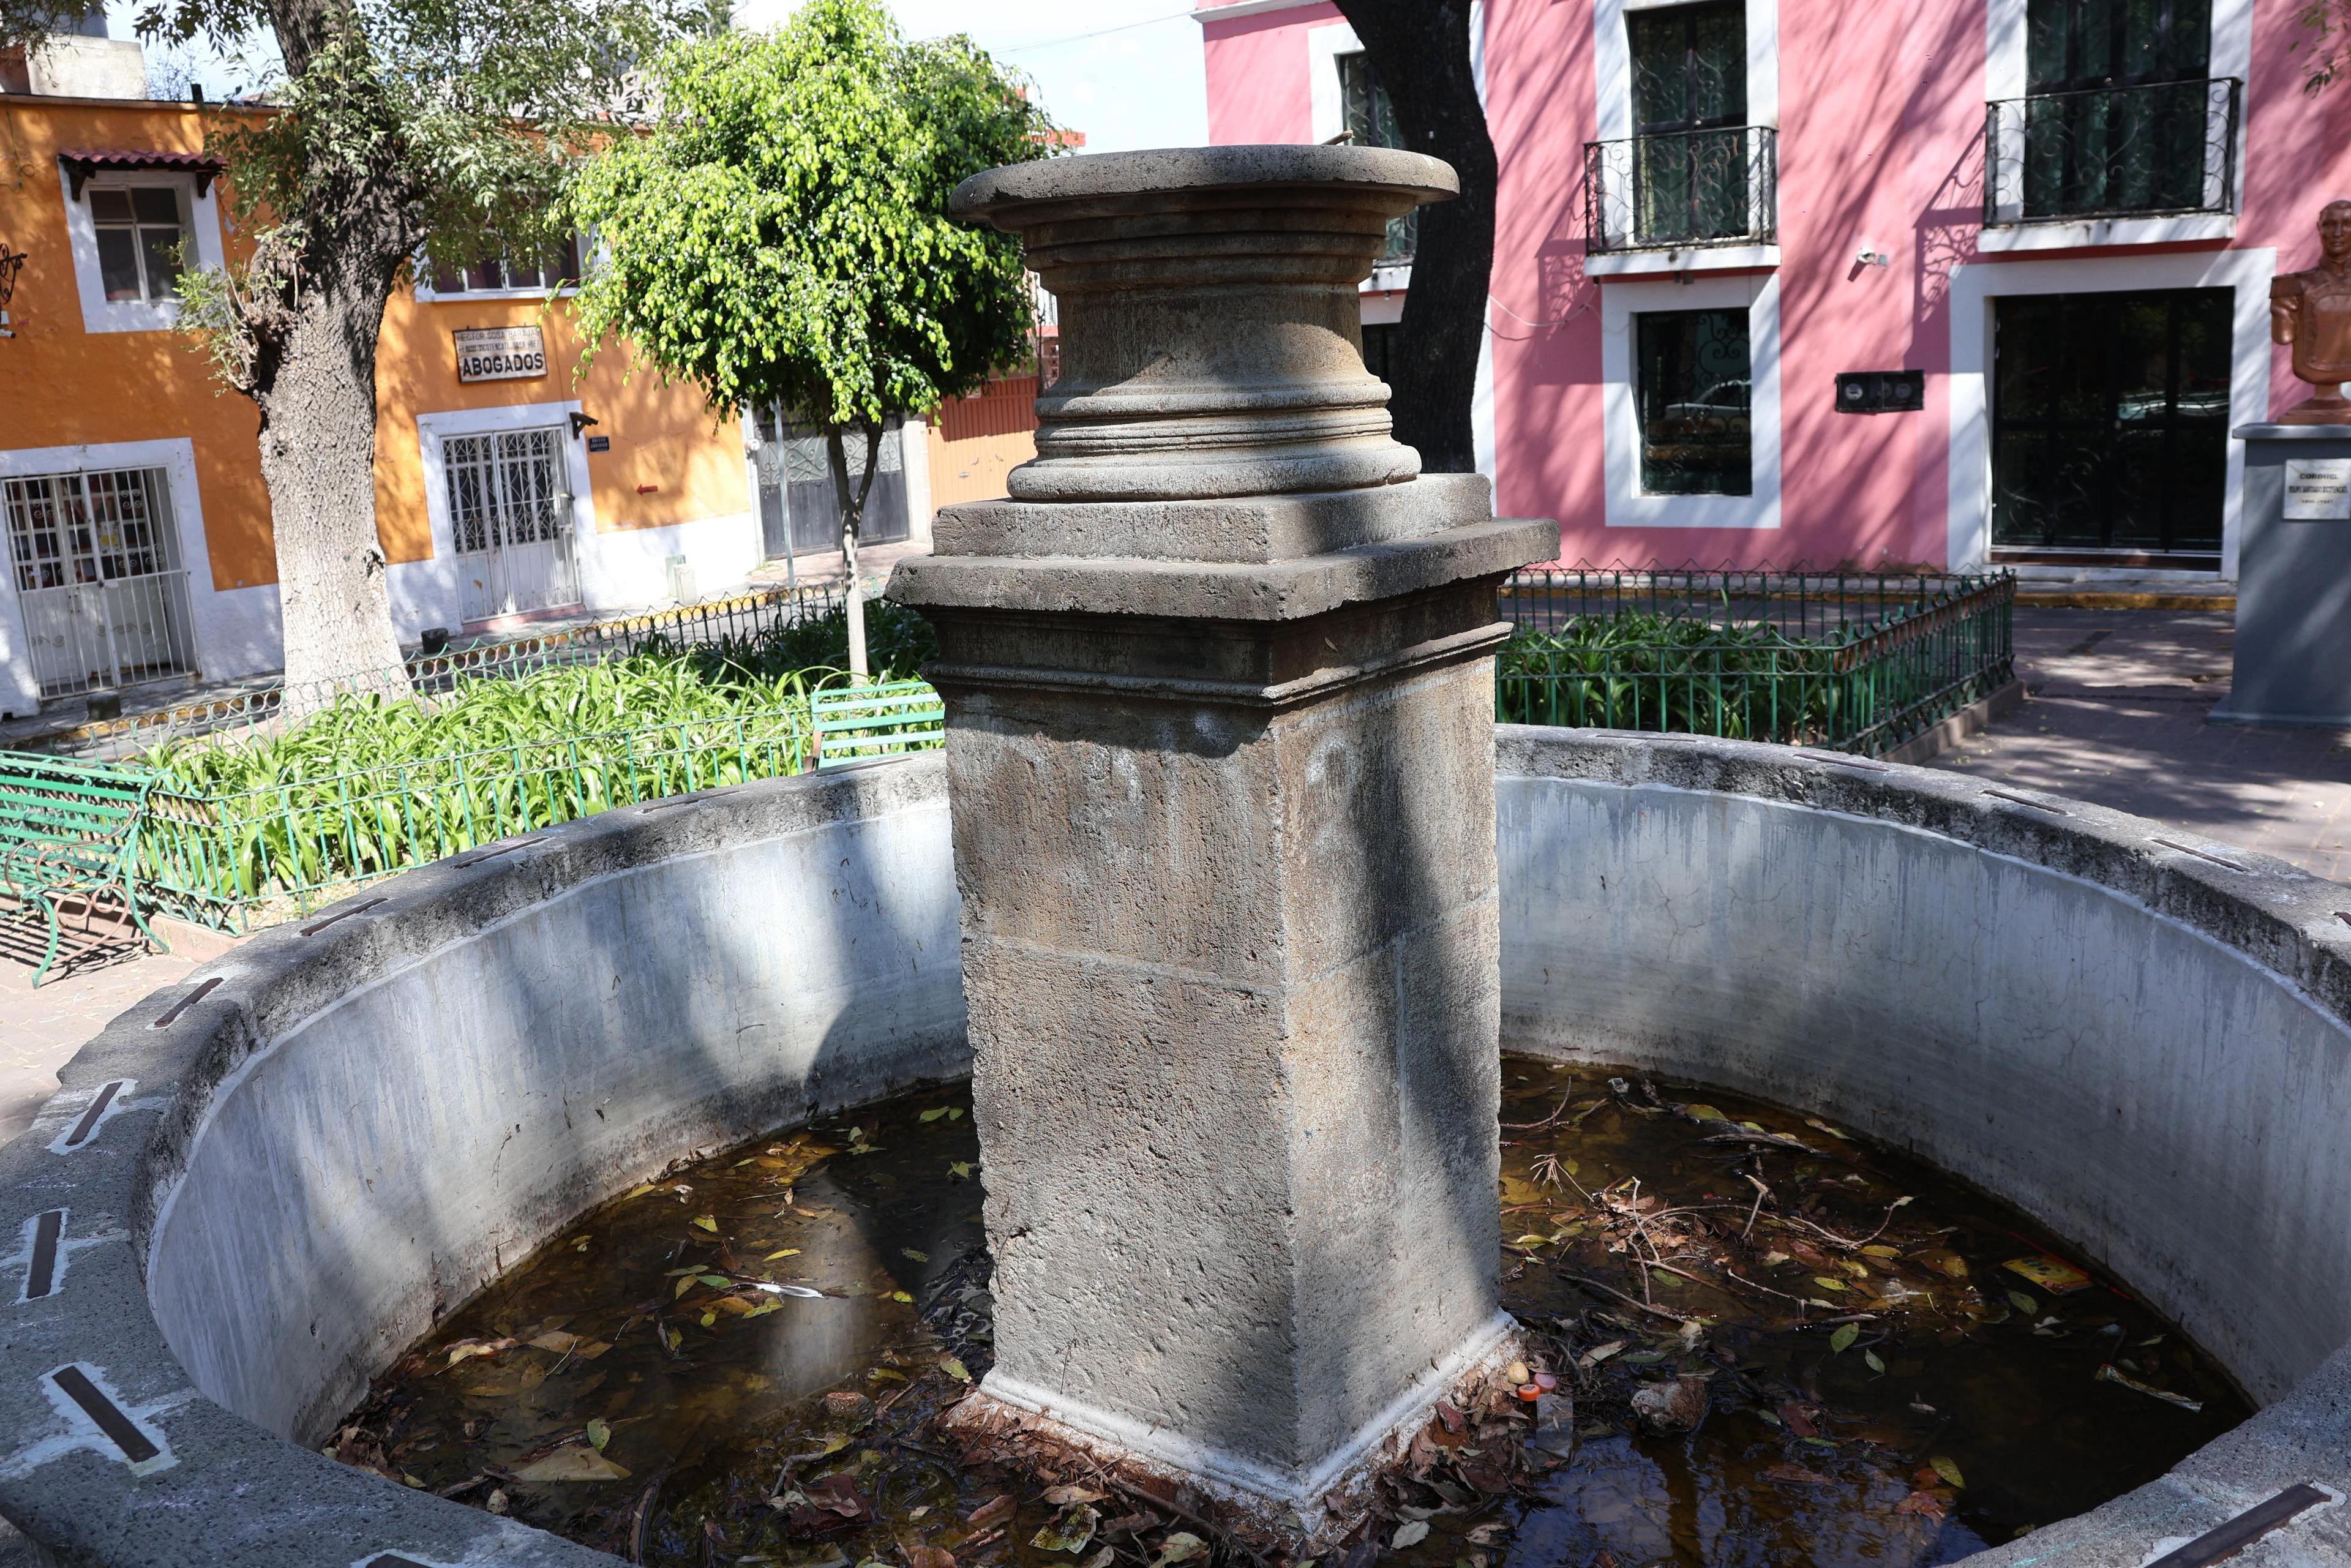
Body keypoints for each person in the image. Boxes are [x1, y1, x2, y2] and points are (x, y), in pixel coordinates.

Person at [2270, 199, 2351, 424]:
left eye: (2347, 224)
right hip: (2310, 369)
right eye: (2330, 224)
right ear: (2319, 229)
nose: (2337, 232)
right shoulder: (2290, 288)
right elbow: (2282, 336)